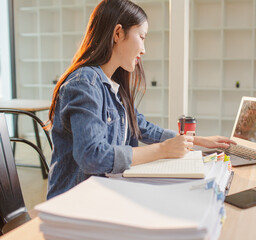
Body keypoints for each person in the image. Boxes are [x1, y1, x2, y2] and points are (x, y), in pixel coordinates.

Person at [46, 0, 235, 199]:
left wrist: (195, 140)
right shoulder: (85, 82)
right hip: (74, 203)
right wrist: (162, 150)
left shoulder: (112, 86)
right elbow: (92, 156)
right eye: (142, 37)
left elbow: (142, 127)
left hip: (104, 194)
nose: (143, 49)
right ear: (118, 33)